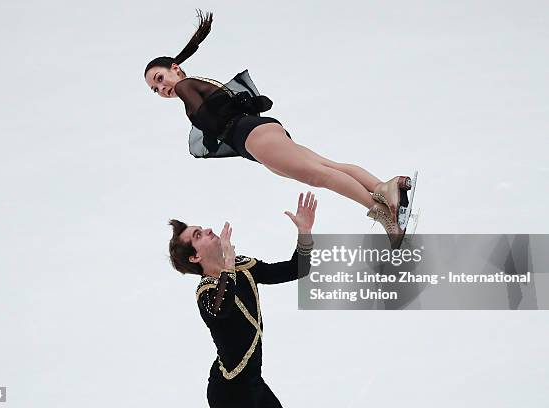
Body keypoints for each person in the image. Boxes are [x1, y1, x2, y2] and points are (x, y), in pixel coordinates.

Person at [146, 10, 412, 249]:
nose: (162, 89)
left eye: (160, 79)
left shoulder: (185, 88)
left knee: (322, 176)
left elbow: (211, 121)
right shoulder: (195, 85)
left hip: (253, 137)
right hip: (259, 134)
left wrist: (208, 129)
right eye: (155, 89)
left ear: (175, 68)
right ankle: (385, 187)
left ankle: (386, 216)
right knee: (329, 167)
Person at [168, 192, 316, 407]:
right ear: (195, 257)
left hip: (254, 385)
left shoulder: (243, 267)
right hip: (229, 395)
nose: (208, 230)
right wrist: (228, 262)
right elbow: (222, 309)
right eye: (198, 235)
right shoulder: (206, 293)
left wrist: (304, 232)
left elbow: (296, 269)